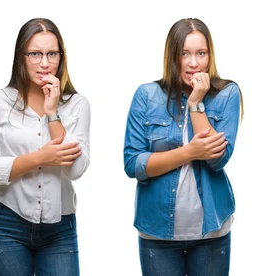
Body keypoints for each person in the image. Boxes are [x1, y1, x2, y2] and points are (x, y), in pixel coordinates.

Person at [123, 18, 243, 276]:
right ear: (172, 56)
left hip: (212, 230)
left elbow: (217, 159)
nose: (193, 63)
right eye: (185, 54)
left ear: (210, 56)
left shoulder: (227, 94)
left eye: (201, 53)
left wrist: (196, 103)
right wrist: (189, 153)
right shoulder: (146, 95)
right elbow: (133, 164)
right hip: (157, 232)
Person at [0, 18, 90, 276]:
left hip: (60, 226)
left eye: (52, 54)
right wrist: (40, 157)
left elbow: (76, 170)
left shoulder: (77, 104)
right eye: (35, 54)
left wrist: (52, 113)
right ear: (21, 57)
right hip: (5, 222)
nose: (45, 63)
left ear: (61, 57)